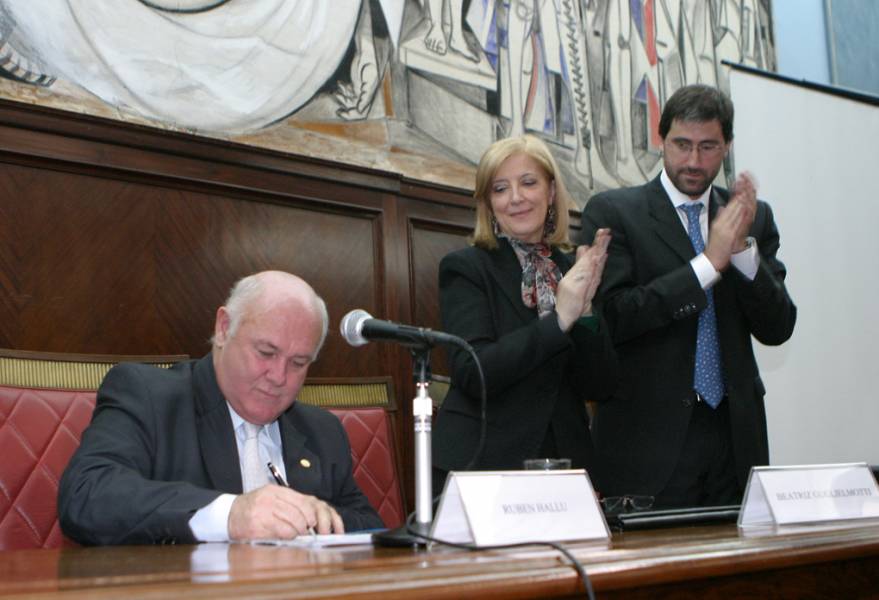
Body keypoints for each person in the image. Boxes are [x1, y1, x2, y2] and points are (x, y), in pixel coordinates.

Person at [580, 84, 797, 508]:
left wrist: (740, 254)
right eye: (681, 145)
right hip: (647, 441)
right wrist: (707, 265)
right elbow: (616, 318)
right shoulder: (614, 212)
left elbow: (778, 328)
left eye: (708, 147)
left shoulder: (753, 218)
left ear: (727, 146)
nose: (694, 161)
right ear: (661, 139)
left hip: (734, 440)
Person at [59, 271, 382, 545]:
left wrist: (313, 519)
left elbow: (369, 524)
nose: (279, 377)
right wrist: (230, 514)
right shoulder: (149, 395)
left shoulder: (321, 430)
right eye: (266, 352)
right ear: (224, 328)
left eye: (298, 363)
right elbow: (87, 494)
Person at [432, 135, 619, 490]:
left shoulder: (572, 268)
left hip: (565, 465)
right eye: (500, 189)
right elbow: (475, 372)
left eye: (528, 183)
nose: (515, 198)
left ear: (551, 193)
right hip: (484, 464)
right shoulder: (465, 268)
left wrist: (587, 311)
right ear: (489, 204)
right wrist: (558, 321)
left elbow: (602, 385)